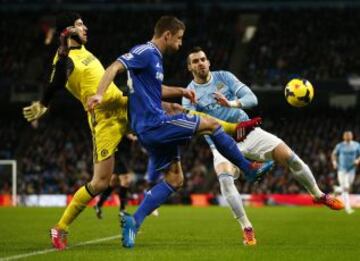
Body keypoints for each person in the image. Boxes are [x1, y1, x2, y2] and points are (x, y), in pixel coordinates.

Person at [87, 16, 273, 248]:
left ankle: (134, 221)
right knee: (211, 125)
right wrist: (100, 93)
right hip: (155, 124)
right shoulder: (145, 52)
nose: (180, 43)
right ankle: (249, 170)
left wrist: (181, 91)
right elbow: (114, 67)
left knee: (176, 179)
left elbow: (156, 90)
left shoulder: (155, 59)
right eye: (179, 38)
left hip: (149, 130)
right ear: (167, 35)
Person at [22, 12, 196, 250]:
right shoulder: (64, 59)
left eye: (84, 23)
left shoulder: (85, 53)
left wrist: (173, 98)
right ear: (68, 31)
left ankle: (206, 145)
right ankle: (60, 227)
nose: (85, 28)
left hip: (123, 104)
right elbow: (55, 81)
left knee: (172, 114)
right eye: (79, 25)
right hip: (103, 119)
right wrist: (44, 102)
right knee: (100, 183)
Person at [182, 47, 345, 245]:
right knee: (225, 180)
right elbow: (191, 123)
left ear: (208, 62)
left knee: (290, 157)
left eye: (203, 59)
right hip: (222, 143)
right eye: (196, 61)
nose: (200, 63)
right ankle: (246, 227)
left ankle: (318, 195)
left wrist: (231, 104)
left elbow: (252, 99)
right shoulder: (189, 94)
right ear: (190, 67)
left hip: (248, 133)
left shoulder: (224, 77)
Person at [94, 134, 137, 219]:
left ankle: (98, 205)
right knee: (125, 181)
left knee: (113, 182)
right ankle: (122, 210)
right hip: (120, 156)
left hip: (122, 156)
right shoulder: (122, 128)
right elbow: (129, 136)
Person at [332, 130, 360, 214]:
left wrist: (358, 160)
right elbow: (333, 154)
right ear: (343, 137)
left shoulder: (356, 145)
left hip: (352, 169)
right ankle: (347, 208)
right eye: (346, 135)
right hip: (341, 169)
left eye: (349, 135)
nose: (348, 137)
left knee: (347, 187)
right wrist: (334, 163)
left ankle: (337, 189)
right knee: (346, 189)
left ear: (352, 136)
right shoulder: (339, 146)